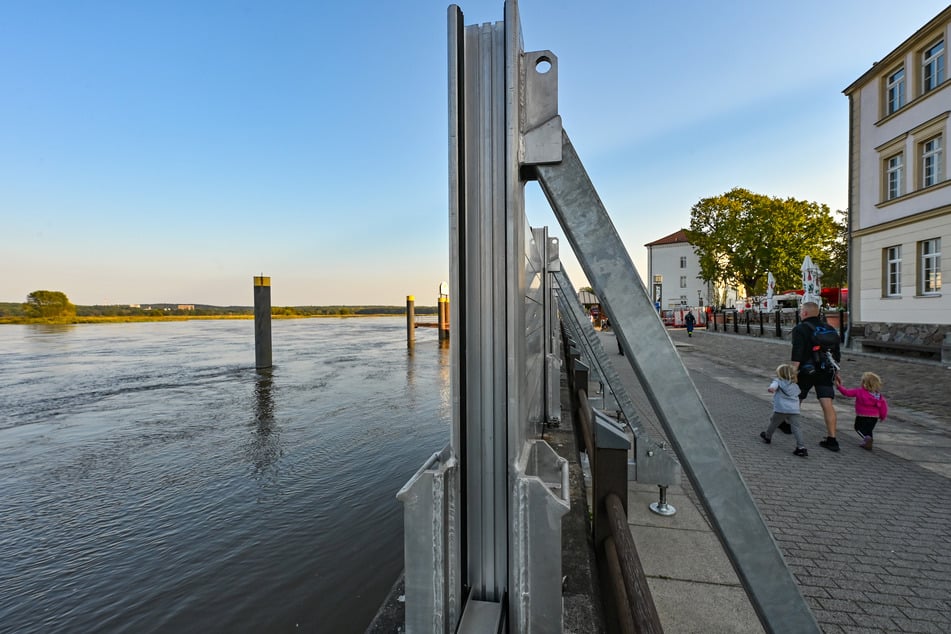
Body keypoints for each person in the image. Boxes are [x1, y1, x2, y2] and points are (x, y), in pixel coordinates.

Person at [790, 301, 841, 451]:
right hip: (826, 370)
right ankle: (832, 439)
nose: (800, 313)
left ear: (804, 313)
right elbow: (836, 353)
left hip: (807, 370)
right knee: (827, 403)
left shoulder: (800, 329)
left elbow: (797, 352)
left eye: (801, 311)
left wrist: (792, 372)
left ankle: (787, 426)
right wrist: (837, 372)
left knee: (795, 399)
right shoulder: (829, 328)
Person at [760, 364, 808, 457]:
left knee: (773, 422)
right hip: (794, 409)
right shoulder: (795, 385)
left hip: (781, 409)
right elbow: (798, 394)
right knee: (796, 428)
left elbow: (773, 386)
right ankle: (801, 447)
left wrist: (771, 389)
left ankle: (767, 436)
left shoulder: (778, 381)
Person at [835, 372, 888, 450]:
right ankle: (868, 443)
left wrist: (839, 387)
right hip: (874, 417)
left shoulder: (859, 391)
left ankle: (867, 440)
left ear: (864, 383)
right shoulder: (879, 396)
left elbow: (846, 393)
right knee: (869, 430)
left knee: (858, 428)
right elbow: (883, 407)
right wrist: (882, 416)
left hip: (862, 415)